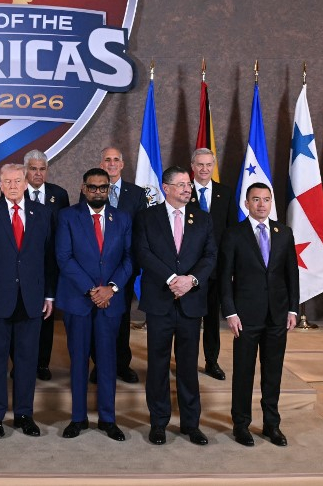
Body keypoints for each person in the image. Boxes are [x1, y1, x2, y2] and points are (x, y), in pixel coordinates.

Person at [0, 163, 56, 439]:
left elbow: (49, 258)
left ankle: (24, 414)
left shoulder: (43, 213)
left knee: (27, 361)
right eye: (7, 181)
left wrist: (49, 294)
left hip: (31, 300)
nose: (13, 186)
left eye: (18, 181)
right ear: (0, 184)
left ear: (26, 183)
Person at [134, 165, 216, 447]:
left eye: (188, 184)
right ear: (166, 188)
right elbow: (142, 252)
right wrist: (171, 279)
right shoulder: (147, 217)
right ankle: (159, 423)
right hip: (160, 301)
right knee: (157, 365)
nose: (187, 189)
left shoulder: (202, 218)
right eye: (181, 184)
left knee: (188, 366)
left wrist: (190, 280)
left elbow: (210, 256)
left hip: (190, 303)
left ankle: (191, 424)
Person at [55, 168, 132, 441]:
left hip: (110, 302)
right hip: (79, 300)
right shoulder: (67, 216)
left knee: (108, 362)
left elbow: (129, 258)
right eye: (92, 187)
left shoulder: (122, 218)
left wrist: (111, 289)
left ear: (109, 189)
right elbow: (64, 257)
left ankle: (108, 419)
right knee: (78, 361)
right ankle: (78, 418)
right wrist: (92, 290)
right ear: (83, 188)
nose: (98, 191)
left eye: (103, 187)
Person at [220, 182, 299, 447]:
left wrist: (293, 308)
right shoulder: (234, 234)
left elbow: (292, 274)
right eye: (256, 199)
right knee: (243, 372)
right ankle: (241, 424)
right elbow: (224, 277)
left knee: (273, 372)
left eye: (266, 199)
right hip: (245, 316)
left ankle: (271, 425)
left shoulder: (284, 233)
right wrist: (230, 312)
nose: (261, 204)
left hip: (277, 315)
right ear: (247, 203)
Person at [96, 146, 147, 384]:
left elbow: (141, 232)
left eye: (116, 159)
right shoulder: (93, 190)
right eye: (107, 160)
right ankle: (99, 365)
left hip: (125, 268)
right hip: (97, 268)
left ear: (123, 164)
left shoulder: (136, 194)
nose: (112, 163)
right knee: (99, 319)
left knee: (122, 318)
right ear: (101, 164)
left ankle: (122, 364)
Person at [22, 149, 70, 381]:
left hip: (50, 264)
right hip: (22, 266)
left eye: (42, 169)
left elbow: (65, 229)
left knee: (46, 314)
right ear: (25, 171)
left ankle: (42, 363)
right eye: (33, 169)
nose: (38, 173)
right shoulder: (15, 191)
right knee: (22, 316)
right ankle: (21, 364)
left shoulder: (59, 195)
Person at [188, 147, 235, 381]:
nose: (204, 169)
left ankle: (211, 361)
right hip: (189, 269)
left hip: (216, 269)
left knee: (212, 319)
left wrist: (230, 267)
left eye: (208, 164)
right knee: (188, 319)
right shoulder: (183, 192)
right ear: (192, 167)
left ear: (213, 166)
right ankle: (187, 361)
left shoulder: (225, 193)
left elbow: (231, 233)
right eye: (200, 164)